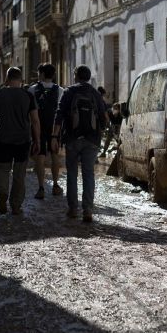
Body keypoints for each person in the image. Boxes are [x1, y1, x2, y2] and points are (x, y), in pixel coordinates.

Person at [52, 65, 106, 222]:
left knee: (72, 174)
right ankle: (88, 210)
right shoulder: (95, 93)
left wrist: (54, 136)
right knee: (89, 173)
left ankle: (73, 209)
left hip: (72, 138)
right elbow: (103, 119)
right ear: (88, 77)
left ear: (75, 76)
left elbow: (59, 114)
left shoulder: (69, 92)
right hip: (91, 140)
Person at [0, 67, 41, 215]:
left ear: (7, 79)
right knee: (19, 173)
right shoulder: (28, 96)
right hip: (23, 140)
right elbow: (35, 121)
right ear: (21, 80)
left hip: (3, 139)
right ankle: (16, 205)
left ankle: (3, 194)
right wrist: (37, 141)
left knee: (2, 169)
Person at [28, 64, 64, 199]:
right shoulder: (60, 90)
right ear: (53, 75)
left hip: (38, 127)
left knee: (40, 156)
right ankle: (55, 185)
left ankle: (41, 187)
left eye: (38, 73)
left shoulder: (32, 89)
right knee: (55, 155)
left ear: (42, 74)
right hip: (55, 128)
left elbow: (29, 112)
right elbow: (62, 112)